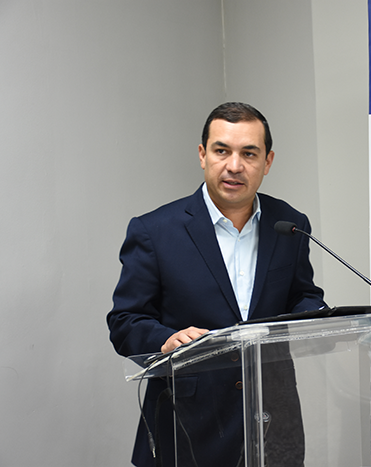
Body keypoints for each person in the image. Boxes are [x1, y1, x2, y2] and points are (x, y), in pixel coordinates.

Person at [107, 102, 325, 466]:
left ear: (267, 162)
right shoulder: (154, 231)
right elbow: (125, 322)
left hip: (274, 422)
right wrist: (165, 340)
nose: (234, 166)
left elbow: (302, 294)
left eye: (249, 154)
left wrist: (317, 314)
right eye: (222, 151)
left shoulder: (289, 223)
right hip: (189, 426)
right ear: (202, 155)